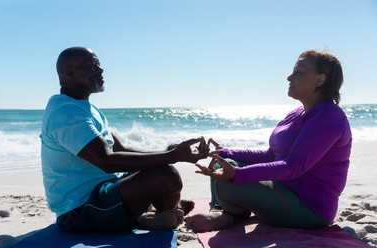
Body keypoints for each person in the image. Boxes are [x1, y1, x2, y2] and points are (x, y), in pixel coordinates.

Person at [40, 47, 208, 233]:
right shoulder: (64, 111)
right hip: (80, 209)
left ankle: (158, 211)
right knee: (167, 175)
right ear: (69, 73)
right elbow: (106, 161)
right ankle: (153, 215)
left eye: (99, 64)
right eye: (93, 65)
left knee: (162, 170)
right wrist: (172, 156)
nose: (101, 69)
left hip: (105, 191)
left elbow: (121, 148)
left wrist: (170, 152)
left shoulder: (87, 108)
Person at [185, 49, 352, 232]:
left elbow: (293, 166)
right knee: (221, 163)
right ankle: (221, 212)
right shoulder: (297, 113)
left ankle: (229, 212)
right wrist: (224, 153)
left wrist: (237, 175)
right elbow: (270, 155)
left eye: (298, 72)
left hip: (309, 207)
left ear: (320, 80)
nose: (289, 77)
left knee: (226, 183)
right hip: (280, 191)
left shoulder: (329, 116)